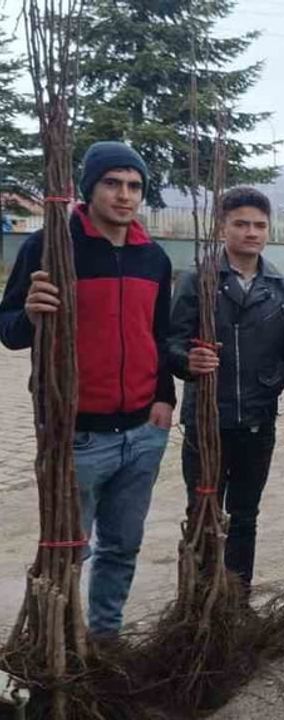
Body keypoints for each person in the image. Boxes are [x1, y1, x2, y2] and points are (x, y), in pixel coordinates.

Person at [0, 141, 176, 637]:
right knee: (68, 549)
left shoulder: (153, 258)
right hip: (77, 434)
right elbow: (9, 328)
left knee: (123, 546)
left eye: (134, 186)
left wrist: (165, 397)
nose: (124, 196)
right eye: (112, 184)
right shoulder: (51, 247)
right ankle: (62, 640)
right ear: (90, 188)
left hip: (143, 432)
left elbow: (159, 336)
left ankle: (105, 639)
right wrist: (31, 314)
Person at [167, 186, 284, 596]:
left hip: (257, 420)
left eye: (259, 225)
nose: (251, 232)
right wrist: (188, 362)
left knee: (245, 515)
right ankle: (199, 598)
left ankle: (237, 598)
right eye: (241, 224)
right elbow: (170, 343)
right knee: (202, 511)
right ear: (223, 226)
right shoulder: (199, 280)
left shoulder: (281, 289)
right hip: (206, 421)